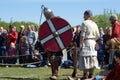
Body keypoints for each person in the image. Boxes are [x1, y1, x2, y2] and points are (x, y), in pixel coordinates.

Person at [77, 10, 100, 79]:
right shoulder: (95, 24)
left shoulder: (84, 23)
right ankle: (91, 75)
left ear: (87, 15)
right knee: (92, 58)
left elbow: (82, 35)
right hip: (93, 42)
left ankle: (85, 75)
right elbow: (98, 35)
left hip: (86, 42)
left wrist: (80, 44)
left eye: (84, 15)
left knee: (86, 58)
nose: (83, 17)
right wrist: (96, 43)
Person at [42, 7, 63, 80]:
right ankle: (53, 73)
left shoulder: (58, 19)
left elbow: (63, 30)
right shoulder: (47, 23)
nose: (46, 16)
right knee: (50, 59)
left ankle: (55, 74)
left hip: (57, 43)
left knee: (55, 59)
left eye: (47, 14)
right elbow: (45, 34)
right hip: (50, 44)